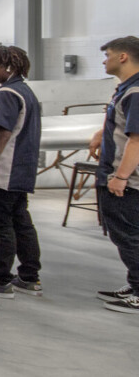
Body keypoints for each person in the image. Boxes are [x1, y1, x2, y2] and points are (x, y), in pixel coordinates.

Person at [0, 44, 43, 297]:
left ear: (8, 67)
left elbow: (2, 133)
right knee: (22, 223)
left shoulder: (7, 94)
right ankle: (29, 276)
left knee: (1, 225)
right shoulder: (26, 92)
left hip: (5, 171)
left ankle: (2, 279)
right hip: (22, 170)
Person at [89, 36, 139, 314]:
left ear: (123, 57)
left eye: (107, 54)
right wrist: (101, 133)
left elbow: (137, 140)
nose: (104, 60)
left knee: (130, 236)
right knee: (125, 235)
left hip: (128, 180)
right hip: (120, 174)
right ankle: (134, 283)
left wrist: (120, 177)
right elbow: (122, 122)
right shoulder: (126, 89)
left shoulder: (135, 92)